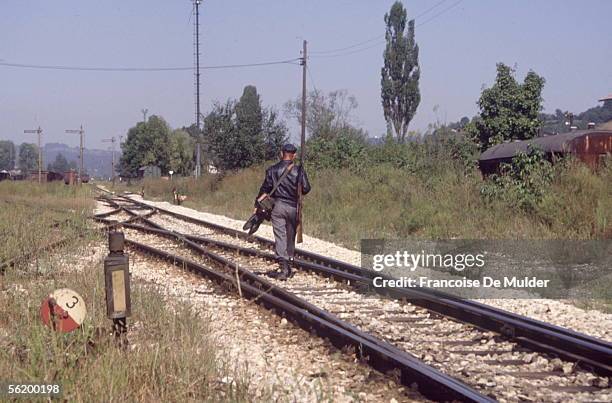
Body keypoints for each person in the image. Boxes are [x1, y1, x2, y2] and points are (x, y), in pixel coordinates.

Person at [254, 143, 310, 280]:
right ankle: (289, 261)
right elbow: (307, 188)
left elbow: (265, 189)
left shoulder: (272, 170)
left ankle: (284, 267)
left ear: (281, 153)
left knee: (280, 236)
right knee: (291, 234)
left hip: (277, 206)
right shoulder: (299, 171)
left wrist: (256, 204)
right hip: (293, 207)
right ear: (294, 155)